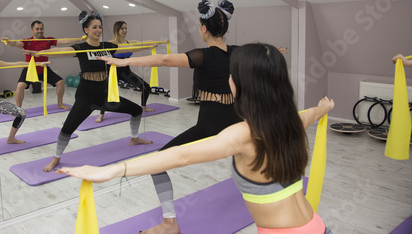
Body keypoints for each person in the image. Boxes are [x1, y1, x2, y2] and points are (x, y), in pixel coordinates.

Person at [57, 43, 335, 234]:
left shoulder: (244, 135)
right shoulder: (291, 122)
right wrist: (325, 108)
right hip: (318, 227)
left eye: (231, 76)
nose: (228, 80)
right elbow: (312, 113)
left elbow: (182, 155)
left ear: (241, 84)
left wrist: (109, 171)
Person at [96, 0, 243, 233]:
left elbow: (164, 60)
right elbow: (263, 52)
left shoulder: (203, 55)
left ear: (204, 28)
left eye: (199, 25)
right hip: (237, 123)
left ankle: (169, 224)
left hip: (210, 127)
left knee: (157, 163)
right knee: (250, 157)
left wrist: (120, 61)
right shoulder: (236, 52)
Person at [24, 11, 154, 173]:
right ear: (86, 30)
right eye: (94, 27)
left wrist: (151, 45)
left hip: (104, 94)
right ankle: (56, 158)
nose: (98, 30)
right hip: (86, 95)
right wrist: (39, 53)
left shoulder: (107, 46)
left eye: (99, 27)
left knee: (135, 110)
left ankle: (134, 139)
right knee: (67, 129)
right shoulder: (81, 48)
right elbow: (62, 51)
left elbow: (129, 46)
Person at [2, 20, 80, 110]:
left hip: (44, 69)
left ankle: (60, 104)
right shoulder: (28, 41)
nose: (40, 31)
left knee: (61, 82)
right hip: (30, 70)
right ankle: (18, 110)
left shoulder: (48, 40)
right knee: (20, 86)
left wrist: (81, 39)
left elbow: (64, 41)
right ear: (32, 30)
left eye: (41, 29)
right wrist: (8, 42)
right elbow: (16, 43)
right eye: (37, 29)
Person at [95, 20, 162, 123]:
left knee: (145, 87)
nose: (124, 30)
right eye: (122, 28)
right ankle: (101, 115)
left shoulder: (130, 42)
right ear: (117, 30)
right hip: (113, 73)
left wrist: (159, 42)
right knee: (106, 93)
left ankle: (143, 106)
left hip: (126, 72)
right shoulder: (111, 43)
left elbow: (145, 42)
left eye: (126, 28)